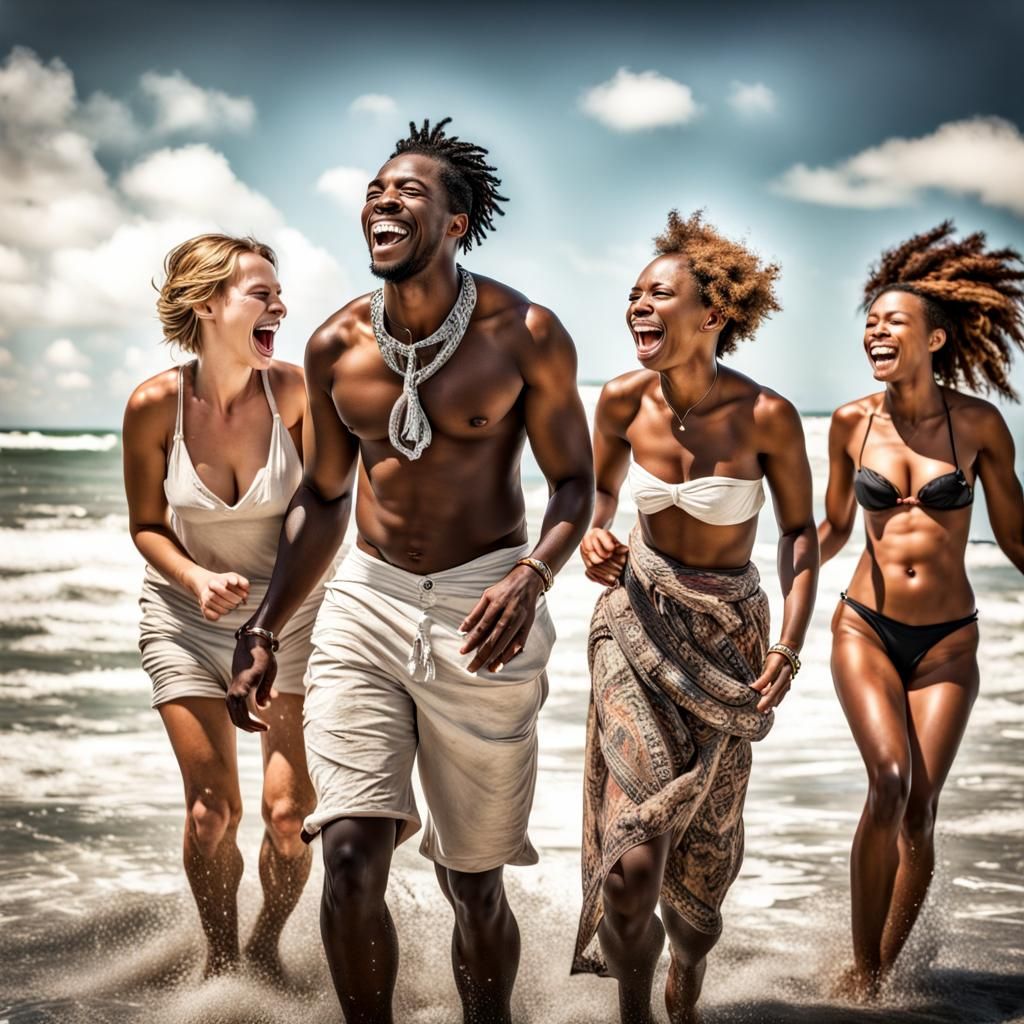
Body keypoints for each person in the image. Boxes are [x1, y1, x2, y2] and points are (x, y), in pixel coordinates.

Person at [226, 118, 594, 1024]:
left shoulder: (526, 333)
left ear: (456, 223)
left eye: (409, 191)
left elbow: (575, 484)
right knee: (349, 855)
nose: (383, 201)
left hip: (488, 608)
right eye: (375, 190)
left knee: (473, 882)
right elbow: (323, 496)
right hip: (368, 599)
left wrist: (533, 577)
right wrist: (266, 624)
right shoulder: (335, 347)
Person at [572, 210, 819, 1024]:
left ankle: (685, 972)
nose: (638, 306)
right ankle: (635, 1013)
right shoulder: (619, 400)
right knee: (631, 868)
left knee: (699, 882)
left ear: (712, 314)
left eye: (659, 294)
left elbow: (799, 533)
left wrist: (790, 642)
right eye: (634, 294)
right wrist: (595, 535)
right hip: (634, 621)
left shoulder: (766, 415)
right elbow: (597, 497)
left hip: (727, 640)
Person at [817, 222, 1024, 999]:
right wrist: (770, 585)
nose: (875, 330)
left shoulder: (978, 426)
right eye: (870, 320)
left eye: (893, 320)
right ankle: (864, 975)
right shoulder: (851, 422)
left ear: (935, 338)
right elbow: (833, 529)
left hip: (948, 645)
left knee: (921, 810)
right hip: (865, 627)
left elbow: (1016, 538)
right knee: (890, 779)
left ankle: (883, 973)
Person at [122, 235, 322, 980]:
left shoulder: (295, 393)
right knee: (213, 814)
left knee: (288, 818)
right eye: (262, 294)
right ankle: (220, 961)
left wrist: (267, 618)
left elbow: (327, 512)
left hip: (291, 618)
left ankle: (266, 948)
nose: (281, 306)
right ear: (208, 304)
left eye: (279, 293)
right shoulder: (154, 406)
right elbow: (147, 524)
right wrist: (196, 580)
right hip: (186, 620)